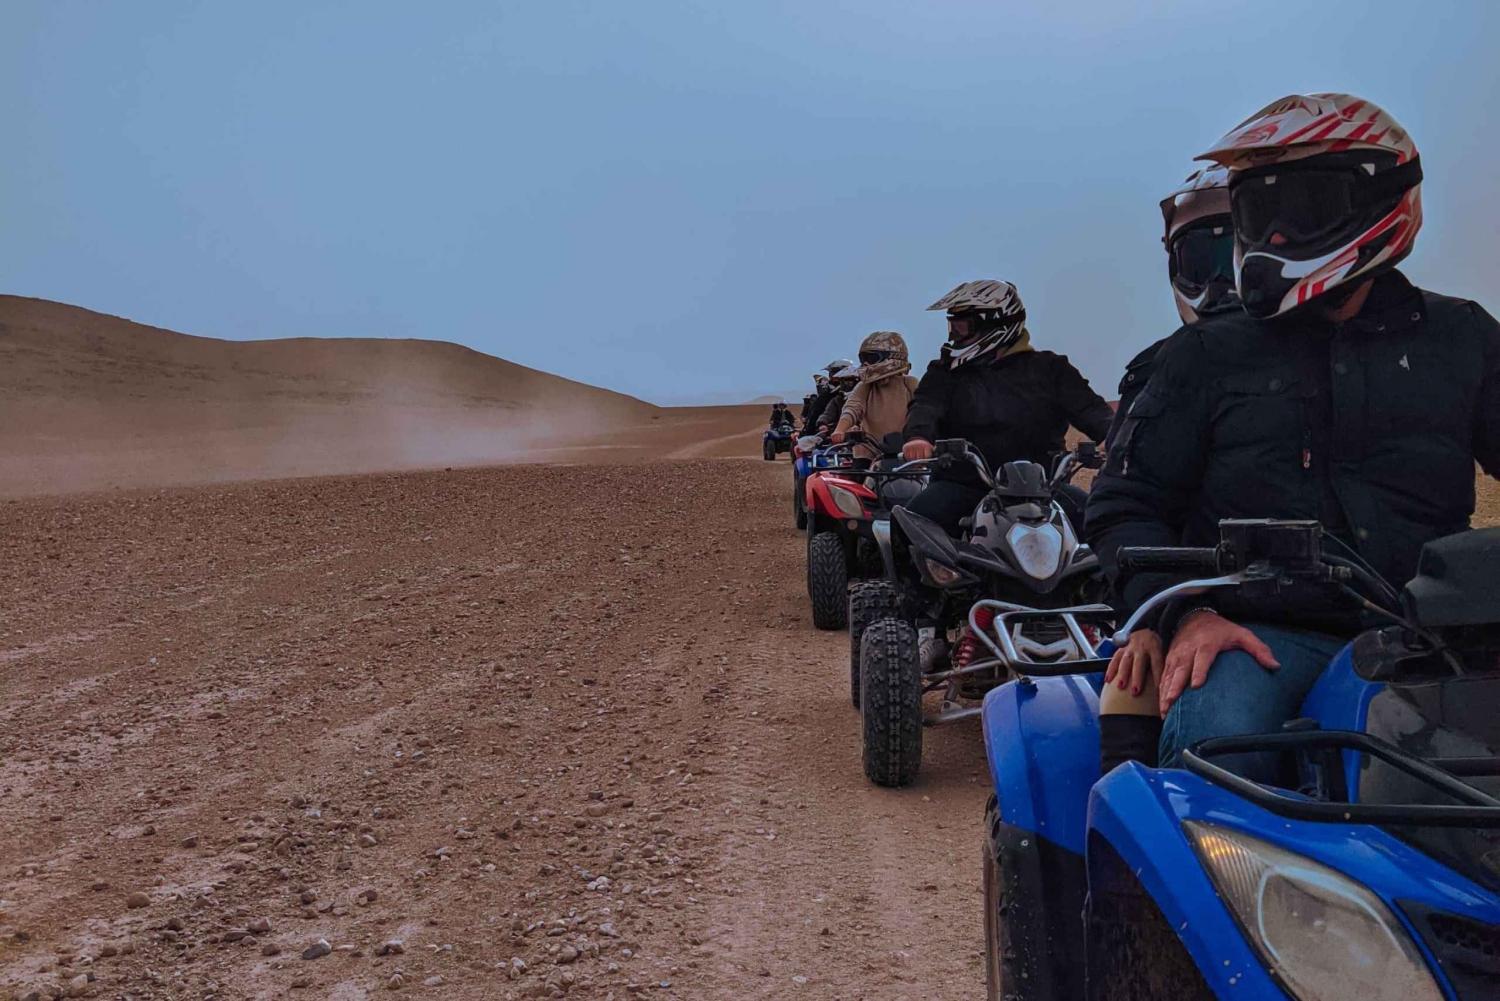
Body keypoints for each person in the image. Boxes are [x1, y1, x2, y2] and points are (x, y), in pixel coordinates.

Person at [1086, 93, 1500, 781]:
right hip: (1261, 636)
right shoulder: (1205, 355)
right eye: (1259, 213)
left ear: (1380, 199)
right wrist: (1190, 612)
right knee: (1220, 740)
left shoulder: (1462, 339)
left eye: (1301, 209)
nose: (1274, 239)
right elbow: (1123, 505)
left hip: (1437, 640)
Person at [1097, 165, 1244, 771]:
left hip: (1347, 605)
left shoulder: (1346, 347)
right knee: (1130, 681)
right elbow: (1126, 497)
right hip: (1182, 594)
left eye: (1235, 253)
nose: (1222, 279)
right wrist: (1159, 614)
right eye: (1202, 259)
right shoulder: (1158, 369)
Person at [902, 279, 1113, 536]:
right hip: (964, 486)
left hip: (1045, 491)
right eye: (953, 327)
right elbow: (926, 405)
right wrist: (918, 437)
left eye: (962, 328)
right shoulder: (945, 373)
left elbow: (1090, 407)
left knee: (1104, 521)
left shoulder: (1051, 369)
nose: (955, 336)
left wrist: (1114, 435)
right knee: (911, 521)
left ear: (996, 325)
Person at [1105, 165, 1240, 450]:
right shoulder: (1150, 370)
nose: (1219, 283)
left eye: (1233, 260)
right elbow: (1119, 468)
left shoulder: (1321, 355)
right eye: (1201, 261)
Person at [829, 332, 918, 464]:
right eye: (863, 359)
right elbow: (852, 408)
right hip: (869, 450)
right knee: (858, 473)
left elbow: (922, 409)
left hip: (906, 449)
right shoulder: (865, 386)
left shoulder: (910, 383)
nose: (866, 364)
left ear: (894, 356)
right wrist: (840, 430)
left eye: (871, 358)